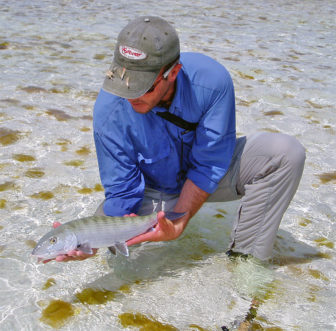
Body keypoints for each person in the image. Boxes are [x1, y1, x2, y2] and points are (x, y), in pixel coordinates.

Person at [49, 16, 305, 263]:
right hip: (151, 190)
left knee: (285, 153)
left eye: (144, 86)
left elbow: (210, 162)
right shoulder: (108, 110)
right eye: (123, 81)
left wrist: (179, 220)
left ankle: (245, 260)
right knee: (123, 262)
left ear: (173, 72)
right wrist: (94, 241)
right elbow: (121, 189)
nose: (131, 95)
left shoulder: (212, 82)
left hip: (208, 175)